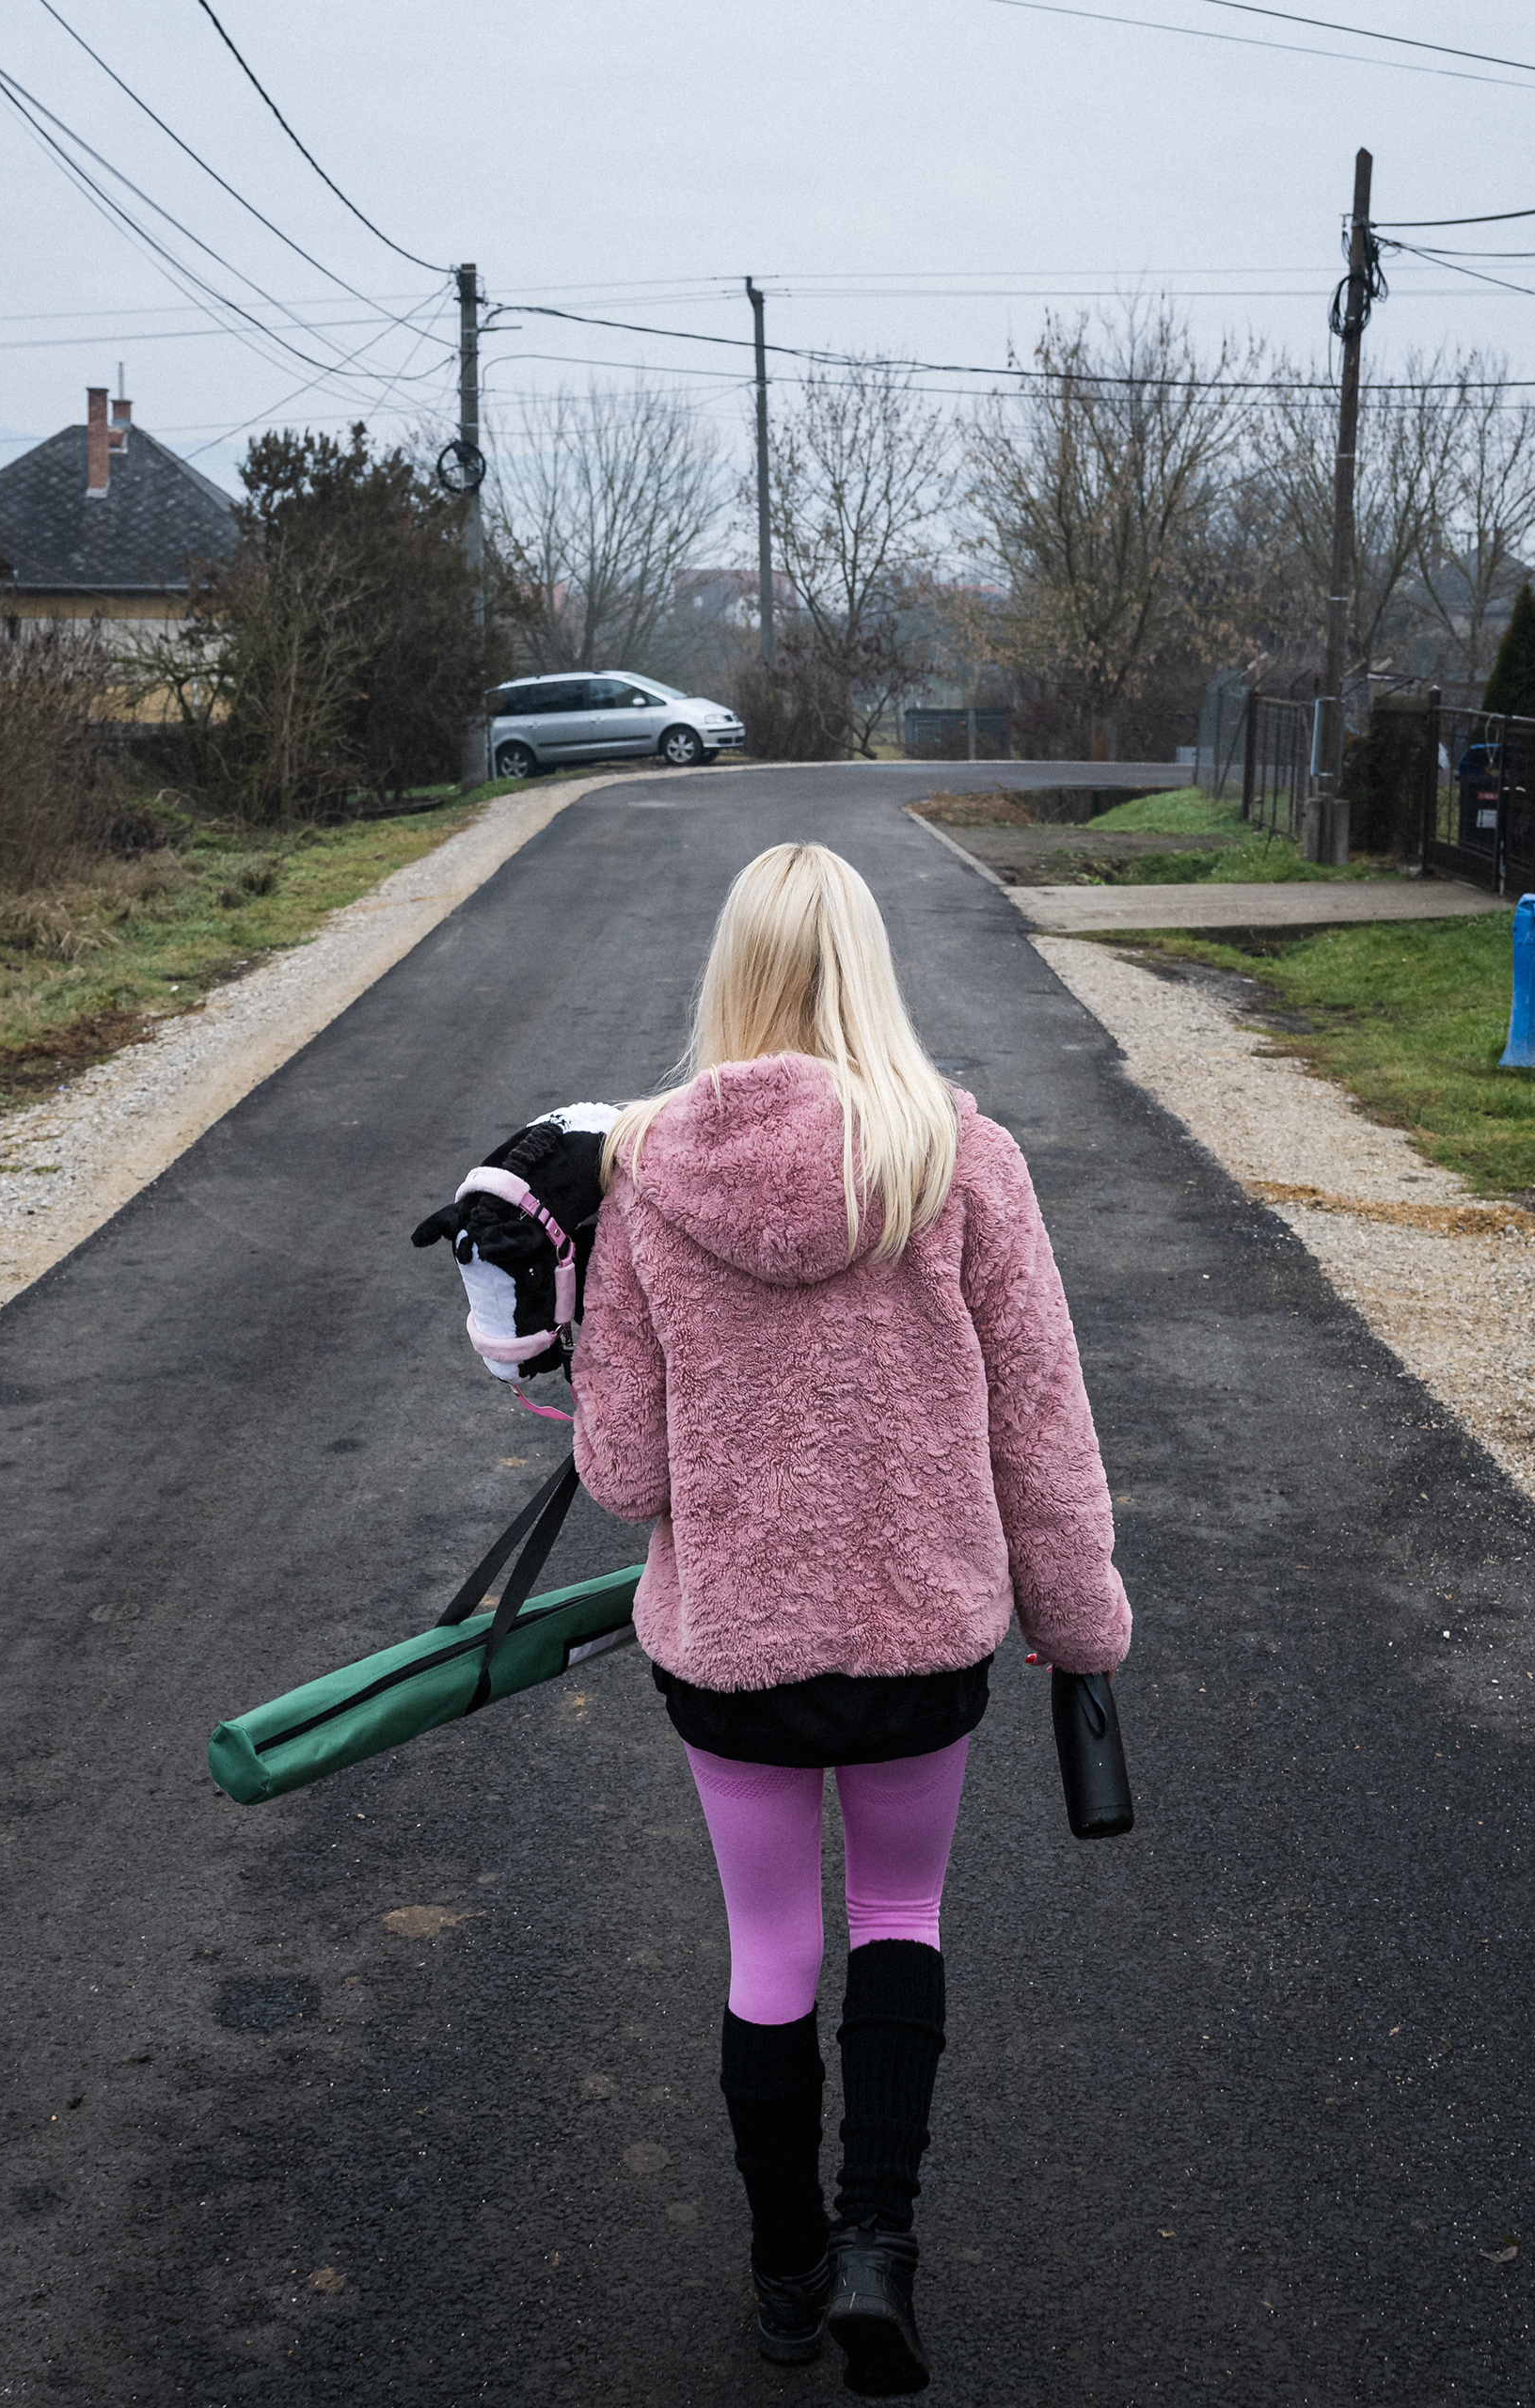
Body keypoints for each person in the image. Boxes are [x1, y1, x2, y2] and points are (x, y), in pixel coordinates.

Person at [570, 841, 1131, 2396]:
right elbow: (1045, 1424)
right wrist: (1078, 1620)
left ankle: (785, 2270)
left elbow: (620, 1475)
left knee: (769, 1949)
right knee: (899, 1917)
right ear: (872, 968)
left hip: (735, 1652)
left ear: (731, 976)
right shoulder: (961, 1160)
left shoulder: (641, 1183)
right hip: (921, 1636)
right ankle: (882, 2245)